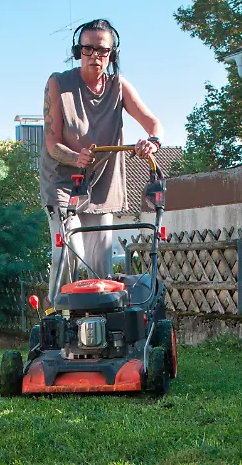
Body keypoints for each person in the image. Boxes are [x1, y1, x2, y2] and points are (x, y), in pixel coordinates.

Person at [39, 18, 162, 306]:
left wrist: (151, 142)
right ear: (78, 51)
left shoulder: (119, 86)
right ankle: (57, 316)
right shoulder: (59, 84)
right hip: (64, 182)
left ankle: (102, 324)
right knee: (69, 252)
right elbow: (52, 143)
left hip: (104, 183)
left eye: (102, 50)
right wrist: (76, 157)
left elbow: (153, 123)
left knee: (101, 262)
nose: (95, 55)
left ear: (112, 53)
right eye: (88, 49)